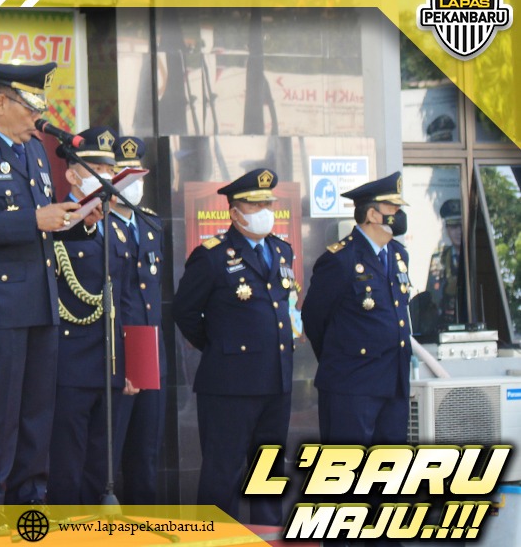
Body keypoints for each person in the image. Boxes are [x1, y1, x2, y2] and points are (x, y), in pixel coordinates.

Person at [0, 61, 100, 535]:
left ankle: (30, 503)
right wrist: (34, 220)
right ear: (1, 102)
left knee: (36, 414)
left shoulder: (32, 152)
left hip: (40, 303)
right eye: (30, 108)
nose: (37, 118)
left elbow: (44, 228)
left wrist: (78, 223)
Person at [173, 169, 295, 525]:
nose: (265, 211)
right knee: (222, 471)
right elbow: (184, 311)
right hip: (230, 383)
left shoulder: (281, 250)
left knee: (268, 473)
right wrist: (218, 346)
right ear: (235, 211)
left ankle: (267, 534)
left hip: (276, 380)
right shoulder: (212, 256)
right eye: (255, 205)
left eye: (268, 204)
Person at [48, 126, 133, 504]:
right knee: (67, 461)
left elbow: (128, 298)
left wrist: (133, 364)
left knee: (102, 462)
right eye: (96, 169)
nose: (105, 177)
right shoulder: (55, 222)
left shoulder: (117, 227)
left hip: (110, 360)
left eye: (110, 170)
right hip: (68, 361)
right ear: (72, 174)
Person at [303, 170, 412, 446]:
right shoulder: (341, 259)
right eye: (392, 209)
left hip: (394, 383)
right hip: (352, 385)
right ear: (373, 214)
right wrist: (342, 359)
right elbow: (314, 318)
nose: (399, 215)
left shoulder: (399, 255)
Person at [110, 135, 166, 505]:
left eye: (137, 174)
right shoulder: (95, 226)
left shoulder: (151, 225)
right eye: (122, 174)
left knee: (145, 455)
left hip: (150, 354)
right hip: (115, 355)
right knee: (107, 455)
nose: (132, 183)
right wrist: (120, 364)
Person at [426, 198, 464, 328]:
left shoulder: (474, 256)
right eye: (453, 227)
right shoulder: (439, 258)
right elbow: (431, 295)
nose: (458, 232)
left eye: (461, 226)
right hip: (444, 322)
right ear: (447, 229)